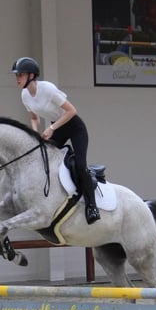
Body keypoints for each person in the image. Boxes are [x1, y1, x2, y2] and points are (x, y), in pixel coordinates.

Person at [10, 57, 100, 225]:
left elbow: (72, 111)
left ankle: (91, 205)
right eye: (17, 75)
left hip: (74, 126)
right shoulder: (24, 95)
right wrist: (35, 135)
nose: (17, 78)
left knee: (80, 165)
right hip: (57, 128)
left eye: (20, 75)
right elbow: (34, 118)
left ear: (31, 75)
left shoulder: (48, 89)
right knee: (43, 160)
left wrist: (52, 128)